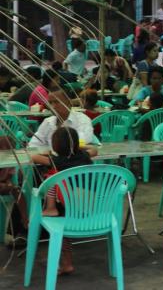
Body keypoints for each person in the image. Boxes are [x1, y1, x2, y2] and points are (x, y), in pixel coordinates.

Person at [30, 126, 96, 276]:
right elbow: (95, 150)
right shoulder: (84, 156)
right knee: (63, 210)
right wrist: (79, 147)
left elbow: (33, 158)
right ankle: (67, 264)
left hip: (71, 207)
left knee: (51, 177)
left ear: (55, 146)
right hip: (91, 207)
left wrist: (46, 154)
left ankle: (51, 208)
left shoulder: (56, 161)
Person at [29, 89, 96, 148]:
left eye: (57, 102)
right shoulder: (48, 122)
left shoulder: (82, 120)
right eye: (50, 103)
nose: (53, 106)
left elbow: (83, 141)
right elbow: (34, 144)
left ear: (69, 102)